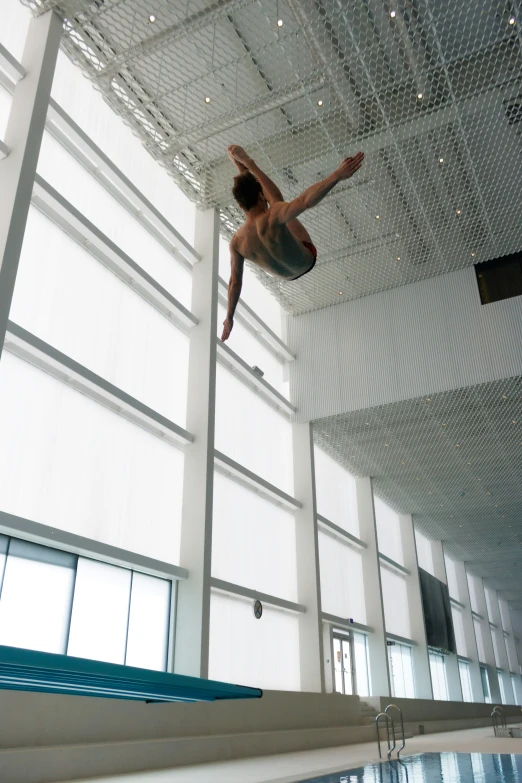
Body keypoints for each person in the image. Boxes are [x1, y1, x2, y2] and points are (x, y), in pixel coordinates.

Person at [221, 145, 364, 341]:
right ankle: (248, 165)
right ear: (260, 195)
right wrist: (337, 175)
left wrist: (229, 317)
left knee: (278, 210)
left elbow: (235, 283)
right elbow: (305, 201)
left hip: (286, 276)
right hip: (306, 257)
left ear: (239, 205)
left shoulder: (236, 243)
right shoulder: (273, 215)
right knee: (278, 205)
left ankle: (244, 167)